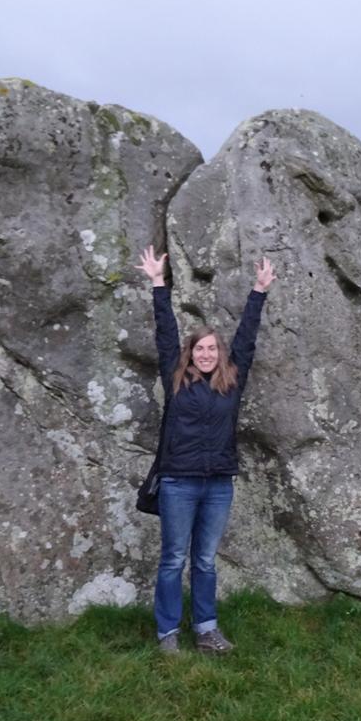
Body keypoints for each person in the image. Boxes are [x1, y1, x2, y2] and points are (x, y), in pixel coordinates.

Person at [136, 244, 276, 654]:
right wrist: (158, 284)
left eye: (213, 348)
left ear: (219, 354)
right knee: (173, 559)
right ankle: (167, 633)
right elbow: (165, 334)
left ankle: (206, 628)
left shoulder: (232, 380)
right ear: (190, 354)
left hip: (218, 484)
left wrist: (259, 292)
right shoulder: (175, 378)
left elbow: (247, 339)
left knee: (205, 562)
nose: (207, 353)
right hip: (178, 482)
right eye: (200, 349)